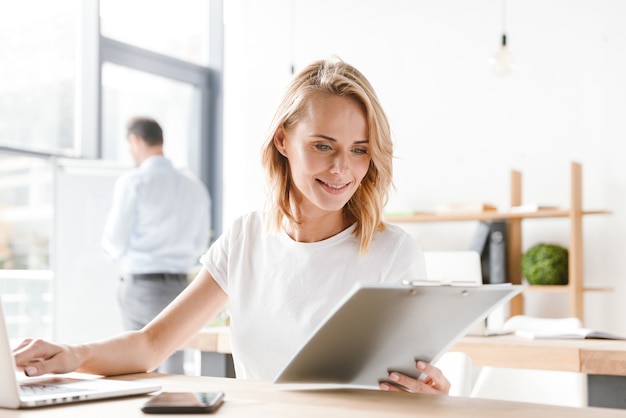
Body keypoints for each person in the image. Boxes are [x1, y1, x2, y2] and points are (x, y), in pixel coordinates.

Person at [13, 59, 450, 395]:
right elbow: (151, 344)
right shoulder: (246, 239)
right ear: (283, 140)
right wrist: (71, 354)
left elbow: (407, 390)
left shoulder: (394, 253)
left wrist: (431, 399)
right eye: (323, 145)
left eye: (359, 150)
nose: (342, 169)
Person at [101, 116, 211, 374]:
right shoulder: (194, 186)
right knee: (175, 367)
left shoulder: (135, 181)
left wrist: (123, 258)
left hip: (141, 286)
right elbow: (199, 243)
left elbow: (114, 241)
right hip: (182, 287)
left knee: (135, 366)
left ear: (135, 141)